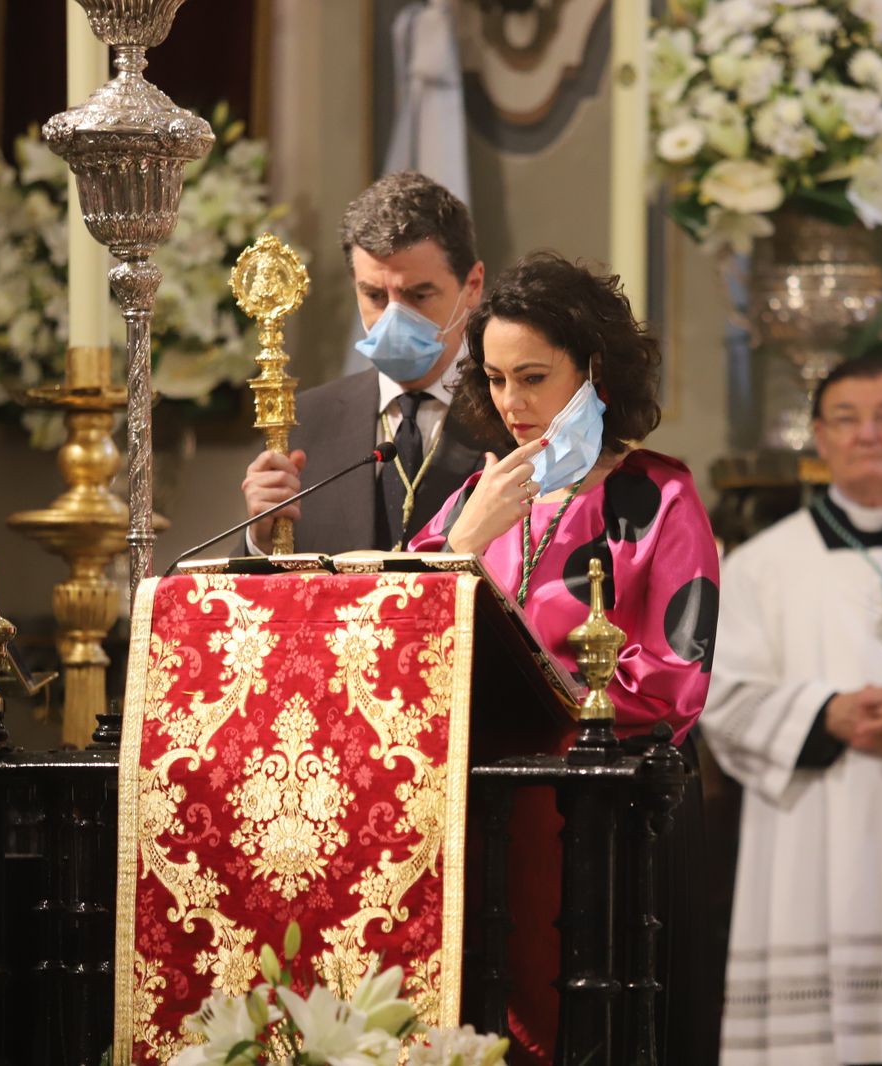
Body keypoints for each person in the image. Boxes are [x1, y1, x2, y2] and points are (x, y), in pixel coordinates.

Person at [411, 251, 720, 1063]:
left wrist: (545, 706)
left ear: (596, 372)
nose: (512, 403)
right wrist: (463, 543)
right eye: (497, 377)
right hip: (482, 820)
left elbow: (674, 684)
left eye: (535, 377)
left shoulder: (659, 498)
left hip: (608, 822)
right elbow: (400, 645)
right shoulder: (473, 498)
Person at [701, 355, 882, 1066]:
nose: (869, 435)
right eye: (847, 418)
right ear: (820, 437)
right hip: (807, 827)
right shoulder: (759, 565)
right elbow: (723, 695)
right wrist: (823, 714)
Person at [239, 171, 496, 554]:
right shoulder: (308, 420)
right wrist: (259, 538)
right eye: (375, 295)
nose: (394, 315)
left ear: (472, 286)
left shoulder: (511, 413)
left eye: (419, 294)